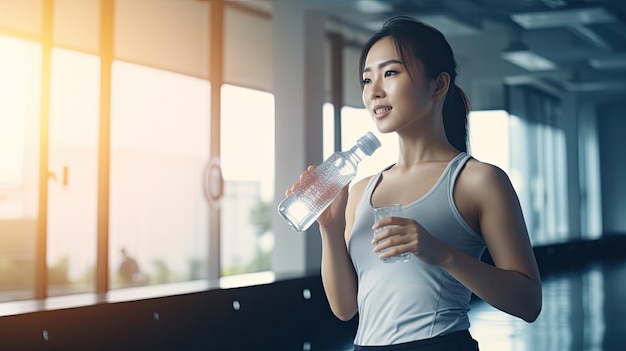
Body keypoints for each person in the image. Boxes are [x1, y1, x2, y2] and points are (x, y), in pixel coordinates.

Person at [285, 16, 542, 350]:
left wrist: (441, 253)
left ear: (438, 85)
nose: (374, 91)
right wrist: (330, 231)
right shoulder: (361, 190)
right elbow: (345, 309)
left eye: (390, 73)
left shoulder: (477, 180)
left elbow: (528, 302)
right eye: (366, 79)